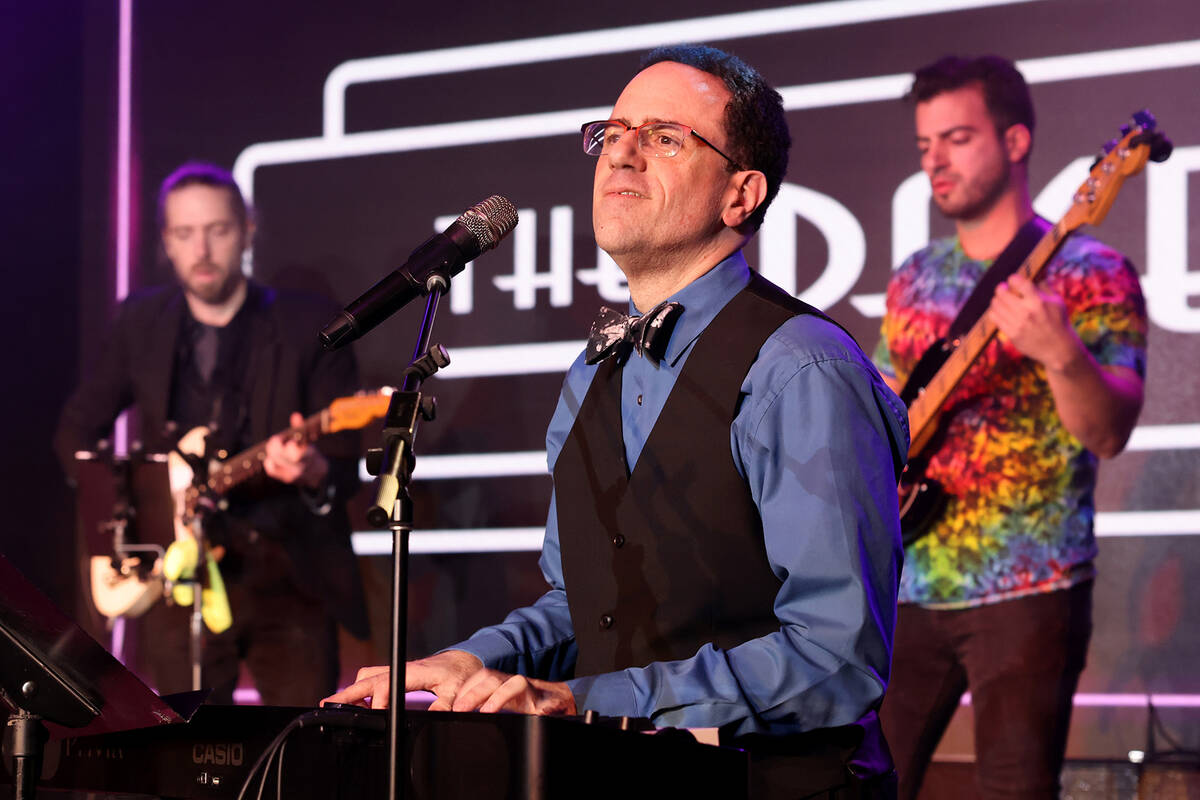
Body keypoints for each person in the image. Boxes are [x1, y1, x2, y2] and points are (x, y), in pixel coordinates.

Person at [327, 46, 908, 799]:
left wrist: (590, 701)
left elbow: (837, 656)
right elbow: (582, 606)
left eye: (665, 137)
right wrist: (477, 660)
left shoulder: (800, 369)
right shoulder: (591, 373)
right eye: (612, 132)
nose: (621, 154)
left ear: (742, 194)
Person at [872, 56, 1148, 799]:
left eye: (957, 138)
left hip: (1032, 587)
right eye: (926, 144)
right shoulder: (914, 277)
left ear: (1017, 140)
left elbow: (1109, 430)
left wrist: (1061, 353)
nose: (936, 160)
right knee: (860, 782)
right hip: (911, 584)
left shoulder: (1093, 269)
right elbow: (881, 417)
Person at [55, 162, 368, 705]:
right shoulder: (141, 322)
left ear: (248, 230)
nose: (201, 249)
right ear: (165, 243)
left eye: (217, 230)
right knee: (184, 760)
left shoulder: (307, 325)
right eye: (184, 233)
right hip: (179, 585)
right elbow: (76, 434)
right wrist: (128, 520)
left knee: (293, 757)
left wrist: (314, 471)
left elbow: (345, 461)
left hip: (289, 582)